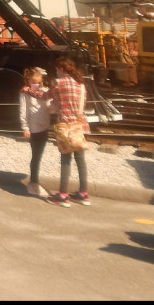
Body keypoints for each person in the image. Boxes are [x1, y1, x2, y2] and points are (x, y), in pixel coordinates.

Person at [46, 57, 91, 207]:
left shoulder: (58, 83)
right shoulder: (81, 84)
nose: (56, 72)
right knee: (81, 160)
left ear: (62, 69)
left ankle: (63, 195)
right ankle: (83, 194)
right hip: (79, 125)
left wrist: (31, 91)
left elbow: (45, 96)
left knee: (66, 160)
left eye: (58, 69)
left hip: (66, 126)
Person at [18, 67, 51, 197]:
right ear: (29, 81)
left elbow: (49, 107)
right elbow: (23, 111)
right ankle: (33, 183)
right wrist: (25, 127)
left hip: (45, 127)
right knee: (36, 156)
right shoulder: (24, 93)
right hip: (34, 129)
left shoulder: (45, 91)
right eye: (34, 81)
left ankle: (34, 182)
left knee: (39, 155)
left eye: (38, 81)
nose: (36, 84)